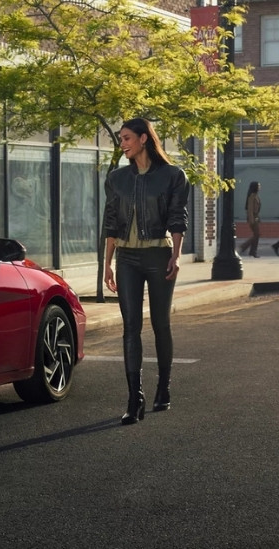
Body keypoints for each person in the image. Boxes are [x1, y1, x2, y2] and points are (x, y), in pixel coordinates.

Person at [102, 118, 190, 425]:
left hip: (158, 255)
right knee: (131, 327)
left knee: (160, 324)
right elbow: (111, 223)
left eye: (126, 138)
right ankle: (134, 399)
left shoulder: (173, 175)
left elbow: (177, 219)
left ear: (143, 138)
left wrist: (176, 257)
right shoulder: (116, 178)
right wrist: (107, 264)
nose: (122, 143)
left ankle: (163, 387)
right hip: (126, 257)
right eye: (120, 139)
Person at [238, 182, 262, 258]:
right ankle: (243, 247)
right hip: (253, 218)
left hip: (256, 217)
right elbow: (250, 209)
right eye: (258, 186)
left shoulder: (256, 195)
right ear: (255, 187)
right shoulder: (252, 196)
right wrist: (252, 220)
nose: (260, 187)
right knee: (257, 235)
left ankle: (252, 252)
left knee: (257, 235)